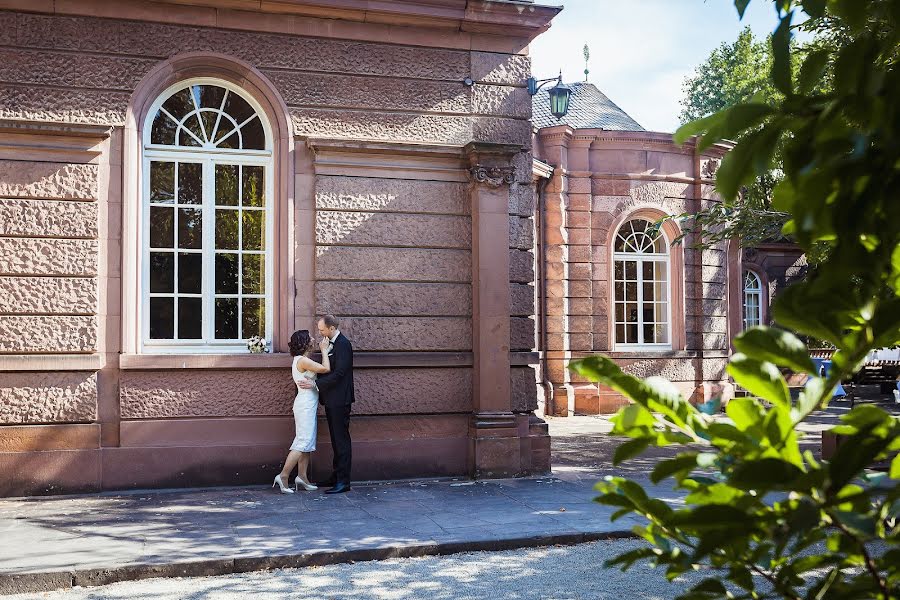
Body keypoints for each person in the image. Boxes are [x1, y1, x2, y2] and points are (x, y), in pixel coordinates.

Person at [297, 315, 354, 494]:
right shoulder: (329, 343)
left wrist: (315, 384)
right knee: (336, 441)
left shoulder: (344, 344)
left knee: (341, 441)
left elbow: (339, 374)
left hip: (340, 400)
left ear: (331, 328)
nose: (320, 332)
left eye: (322, 329)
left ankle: (343, 482)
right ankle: (336, 476)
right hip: (331, 399)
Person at [273, 329, 331, 494]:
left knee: (307, 442)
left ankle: (302, 477)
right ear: (305, 342)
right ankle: (283, 476)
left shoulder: (302, 360)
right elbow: (326, 368)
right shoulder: (303, 361)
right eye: (310, 337)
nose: (314, 338)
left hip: (308, 403)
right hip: (305, 404)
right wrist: (325, 351)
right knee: (303, 441)